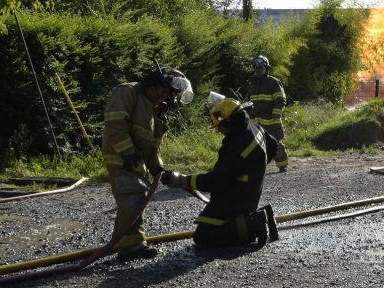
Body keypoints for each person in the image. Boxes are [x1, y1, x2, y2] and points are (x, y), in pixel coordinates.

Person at [162, 92, 279, 248]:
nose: (219, 130)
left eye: (220, 126)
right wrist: (255, 170)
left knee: (204, 236)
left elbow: (216, 181)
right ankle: (258, 216)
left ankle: (252, 224)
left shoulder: (235, 145)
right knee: (210, 226)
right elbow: (273, 145)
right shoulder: (254, 127)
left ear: (230, 121)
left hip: (236, 196)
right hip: (250, 191)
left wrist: (183, 180)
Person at [103, 66, 194, 261]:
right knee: (132, 197)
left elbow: (154, 146)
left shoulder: (155, 108)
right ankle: (132, 248)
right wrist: (128, 153)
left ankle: (121, 242)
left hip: (137, 162)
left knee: (134, 200)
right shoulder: (127, 91)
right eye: (168, 92)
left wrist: (157, 167)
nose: (168, 97)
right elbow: (115, 125)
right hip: (120, 158)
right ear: (157, 84)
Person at [246, 55, 288, 172]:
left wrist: (276, 114)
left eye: (261, 67)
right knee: (256, 146)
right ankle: (258, 169)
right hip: (256, 122)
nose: (258, 70)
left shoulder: (273, 82)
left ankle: (282, 166)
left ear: (266, 69)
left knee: (276, 144)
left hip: (271, 121)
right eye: (256, 67)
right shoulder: (252, 83)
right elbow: (247, 102)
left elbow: (280, 99)